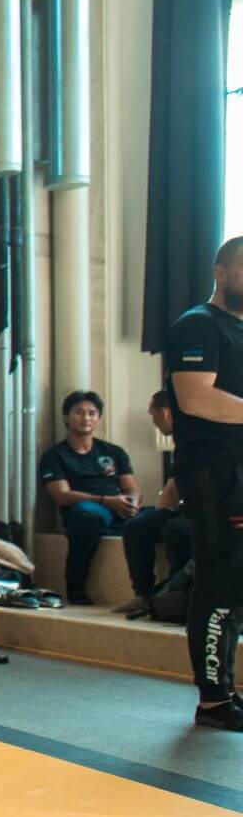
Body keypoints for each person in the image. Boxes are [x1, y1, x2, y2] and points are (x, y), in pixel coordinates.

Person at [161, 236, 243, 731]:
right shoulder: (198, 325)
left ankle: (225, 689)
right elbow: (196, 398)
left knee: (237, 583)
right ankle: (213, 700)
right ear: (221, 271)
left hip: (238, 473)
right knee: (220, 580)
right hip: (215, 475)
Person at [38, 391, 148, 605]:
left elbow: (131, 487)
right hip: (87, 509)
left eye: (91, 413)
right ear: (66, 417)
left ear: (98, 418)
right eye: (79, 412)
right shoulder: (55, 455)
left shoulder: (114, 452)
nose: (86, 417)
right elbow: (62, 495)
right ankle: (76, 589)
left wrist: (133, 502)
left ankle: (152, 595)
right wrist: (105, 501)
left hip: (118, 508)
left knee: (158, 517)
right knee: (88, 518)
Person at [118, 391, 193, 613]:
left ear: (165, 413)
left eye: (153, 415)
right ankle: (143, 594)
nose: (154, 422)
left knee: (175, 529)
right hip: (187, 506)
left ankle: (178, 595)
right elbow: (172, 487)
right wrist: (157, 515)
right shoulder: (181, 440)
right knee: (136, 525)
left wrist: (162, 513)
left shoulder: (196, 438)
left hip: (212, 508)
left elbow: (172, 490)